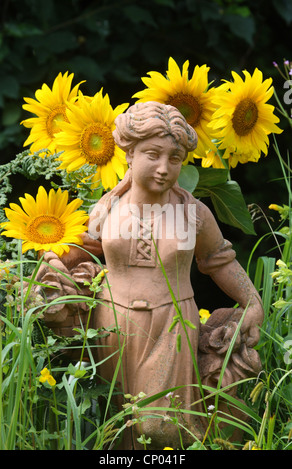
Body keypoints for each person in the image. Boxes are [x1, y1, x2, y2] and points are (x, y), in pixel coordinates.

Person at [39, 102, 264, 449]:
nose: (164, 168)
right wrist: (51, 257)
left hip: (172, 324)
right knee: (119, 427)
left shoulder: (193, 213)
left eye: (175, 159)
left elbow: (220, 261)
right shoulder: (107, 206)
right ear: (129, 154)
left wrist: (252, 302)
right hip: (112, 322)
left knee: (160, 428)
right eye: (152, 155)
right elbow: (80, 247)